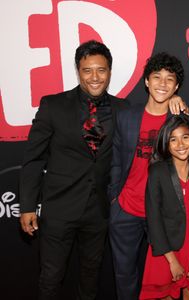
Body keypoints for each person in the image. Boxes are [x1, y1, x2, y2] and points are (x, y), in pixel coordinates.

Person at [19, 40, 129, 300]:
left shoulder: (123, 109)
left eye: (101, 70)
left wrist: (175, 102)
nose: (94, 77)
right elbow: (34, 159)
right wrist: (26, 206)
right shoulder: (53, 106)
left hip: (99, 211)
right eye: (87, 70)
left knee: (90, 278)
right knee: (51, 277)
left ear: (110, 72)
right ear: (78, 71)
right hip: (59, 209)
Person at [108, 52, 187, 300]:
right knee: (125, 276)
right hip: (126, 209)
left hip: (163, 215)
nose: (162, 84)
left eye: (169, 79)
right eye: (156, 77)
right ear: (146, 81)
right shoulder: (127, 117)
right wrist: (115, 199)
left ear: (176, 86)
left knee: (164, 282)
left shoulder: (180, 121)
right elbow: (116, 162)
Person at [139, 115, 189, 300]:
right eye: (173, 139)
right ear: (167, 144)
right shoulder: (158, 172)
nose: (180, 144)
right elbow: (153, 219)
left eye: (185, 137)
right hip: (165, 251)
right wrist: (172, 261)